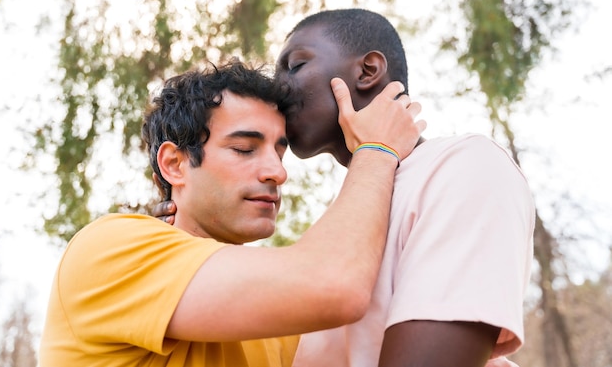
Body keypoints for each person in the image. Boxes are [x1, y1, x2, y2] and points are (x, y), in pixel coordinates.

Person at [155, 9, 535, 367]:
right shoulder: (343, 230)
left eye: (296, 64)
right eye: (243, 149)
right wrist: (183, 236)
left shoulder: (462, 166)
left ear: (368, 70)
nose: (277, 86)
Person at [39, 60, 426, 366]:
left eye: (280, 151)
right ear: (174, 164)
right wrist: (376, 151)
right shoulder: (110, 249)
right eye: (244, 149)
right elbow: (336, 284)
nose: (278, 172)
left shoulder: (276, 323)